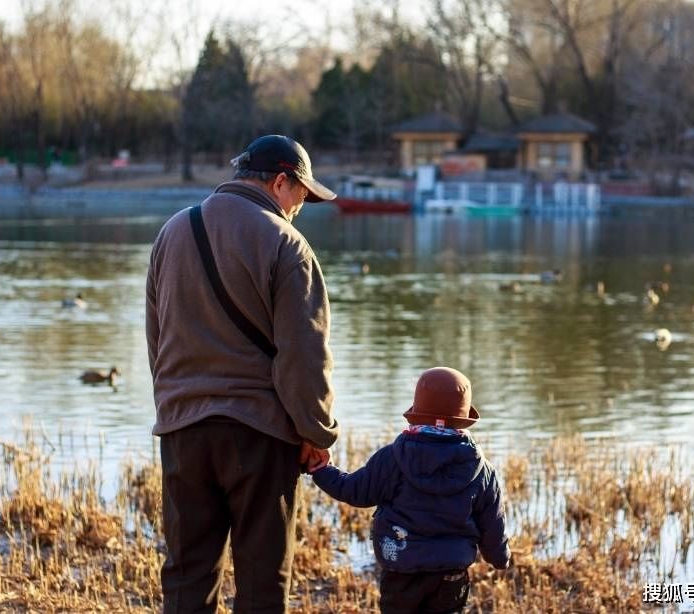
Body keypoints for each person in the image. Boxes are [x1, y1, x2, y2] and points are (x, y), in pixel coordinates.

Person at [146, 134, 340, 613]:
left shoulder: (173, 231)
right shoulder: (287, 245)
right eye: (302, 195)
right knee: (260, 583)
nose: (301, 207)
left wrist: (175, 406)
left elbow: (157, 337)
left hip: (182, 430)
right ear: (280, 182)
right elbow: (304, 356)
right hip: (258, 435)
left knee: (187, 578)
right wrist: (316, 432)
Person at [307, 367, 510, 614]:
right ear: (464, 418)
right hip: (451, 574)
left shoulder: (392, 458)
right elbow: (492, 523)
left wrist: (321, 469)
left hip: (401, 569)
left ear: (417, 412)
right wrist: (499, 558)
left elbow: (354, 491)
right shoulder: (482, 470)